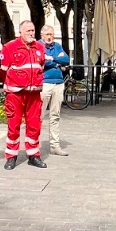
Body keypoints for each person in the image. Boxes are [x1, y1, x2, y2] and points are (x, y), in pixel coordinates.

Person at [0, 20, 48, 170]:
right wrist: (13, 84)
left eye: (33, 30)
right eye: (28, 31)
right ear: (20, 32)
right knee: (13, 126)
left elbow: (41, 67)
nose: (31, 33)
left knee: (34, 125)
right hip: (15, 94)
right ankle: (11, 157)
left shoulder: (40, 47)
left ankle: (33, 155)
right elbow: (2, 71)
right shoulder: (9, 47)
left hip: (34, 94)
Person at [40, 26, 70, 157]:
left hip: (58, 83)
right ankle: (34, 146)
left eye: (51, 34)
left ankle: (55, 145)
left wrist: (51, 59)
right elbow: (41, 62)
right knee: (38, 116)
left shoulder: (57, 46)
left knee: (55, 116)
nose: (49, 36)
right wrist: (57, 63)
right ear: (42, 34)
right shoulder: (38, 46)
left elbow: (66, 59)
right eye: (47, 34)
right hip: (44, 83)